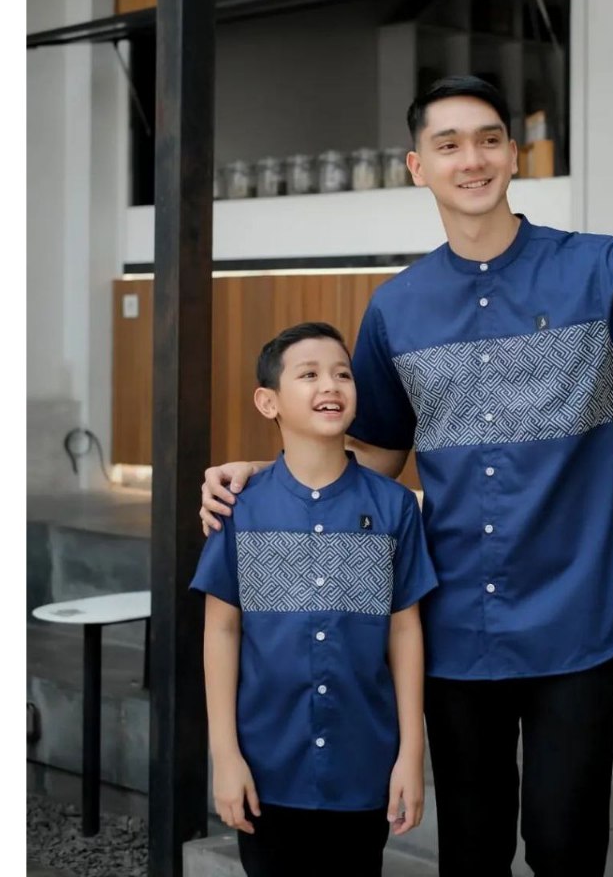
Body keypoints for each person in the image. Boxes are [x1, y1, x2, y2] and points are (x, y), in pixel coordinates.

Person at [200, 76, 613, 877]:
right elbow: (374, 460)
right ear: (417, 166)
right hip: (455, 621)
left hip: (577, 614)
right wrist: (269, 470)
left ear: (513, 155)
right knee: (471, 850)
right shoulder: (397, 309)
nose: (472, 159)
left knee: (564, 845)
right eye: (449, 144)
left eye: (489, 140)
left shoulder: (596, 268)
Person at [190, 321, 438, 877]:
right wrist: (225, 756)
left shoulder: (396, 508)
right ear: (268, 402)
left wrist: (410, 754)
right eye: (309, 375)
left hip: (363, 767)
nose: (330, 385)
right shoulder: (240, 509)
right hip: (267, 767)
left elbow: (405, 631)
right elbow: (221, 630)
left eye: (342, 374)